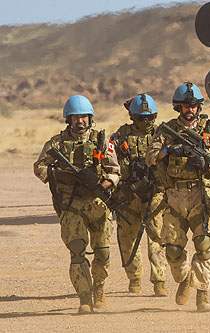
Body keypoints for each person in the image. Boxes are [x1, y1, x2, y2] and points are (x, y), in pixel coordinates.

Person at [146, 82, 210, 312]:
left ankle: (202, 294)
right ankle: (184, 280)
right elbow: (151, 157)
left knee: (204, 245)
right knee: (172, 251)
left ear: (198, 106)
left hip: (200, 196)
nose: (190, 109)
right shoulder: (166, 131)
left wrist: (206, 164)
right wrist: (171, 150)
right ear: (178, 107)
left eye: (193, 105)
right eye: (185, 105)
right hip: (174, 196)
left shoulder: (209, 130)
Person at [34, 95, 120, 314]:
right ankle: (84, 298)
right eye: (75, 117)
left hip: (98, 203)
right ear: (68, 120)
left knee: (102, 252)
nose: (80, 121)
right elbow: (40, 167)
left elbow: (116, 171)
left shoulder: (102, 141)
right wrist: (62, 176)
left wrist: (104, 183)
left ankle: (99, 288)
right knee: (77, 250)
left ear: (90, 118)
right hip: (72, 204)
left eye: (83, 117)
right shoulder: (56, 143)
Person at [110, 93, 168, 296]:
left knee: (157, 236)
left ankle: (159, 280)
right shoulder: (120, 136)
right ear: (133, 117)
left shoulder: (162, 134)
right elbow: (110, 162)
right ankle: (134, 277)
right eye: (142, 118)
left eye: (150, 117)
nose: (147, 122)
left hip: (156, 192)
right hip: (128, 193)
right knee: (127, 237)